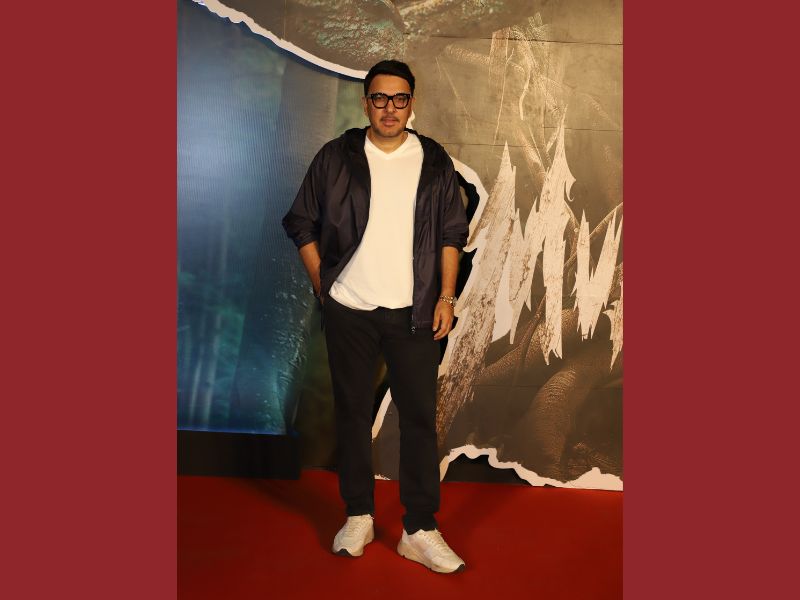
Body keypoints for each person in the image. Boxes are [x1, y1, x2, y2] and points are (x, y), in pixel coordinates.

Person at [282, 59, 468, 574]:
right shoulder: (336, 156)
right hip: (351, 311)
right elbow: (300, 221)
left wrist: (446, 296)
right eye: (380, 98)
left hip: (414, 313)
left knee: (419, 421)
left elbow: (452, 233)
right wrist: (324, 285)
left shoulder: (432, 160)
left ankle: (420, 529)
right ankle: (358, 515)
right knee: (352, 413)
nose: (390, 108)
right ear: (366, 103)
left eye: (399, 99)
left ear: (412, 104)